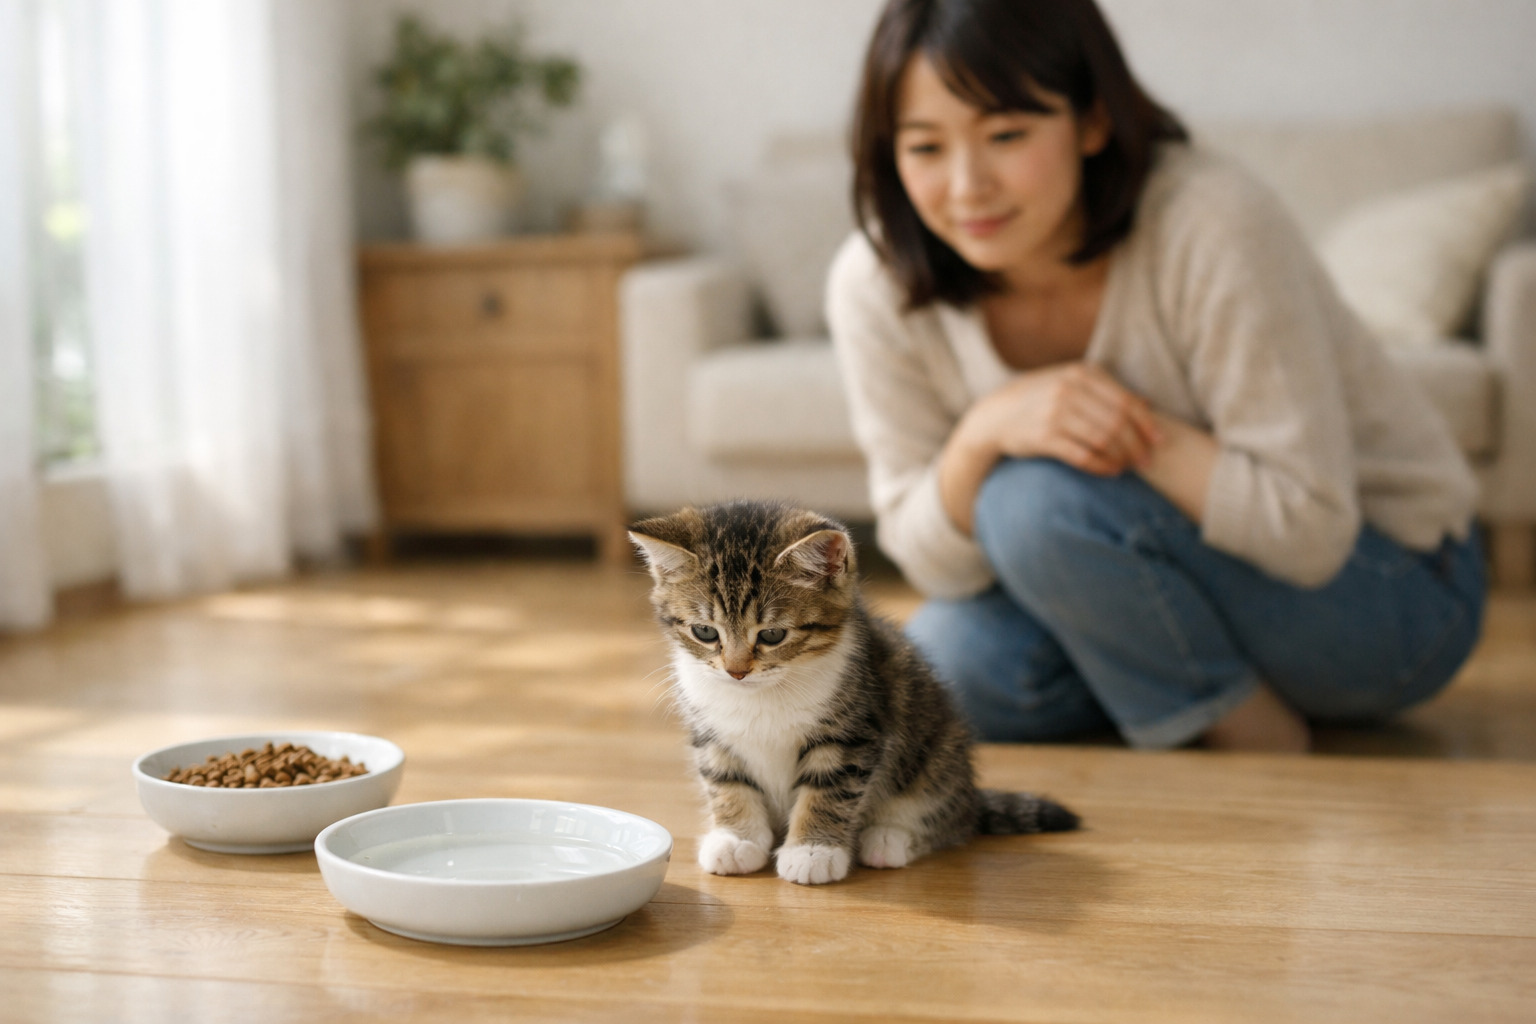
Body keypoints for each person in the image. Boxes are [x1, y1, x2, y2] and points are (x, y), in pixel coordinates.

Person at [827, 0, 1486, 752]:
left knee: (1031, 504)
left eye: (1006, 134)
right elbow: (932, 561)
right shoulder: (873, 282)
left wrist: (1114, 429)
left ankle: (1243, 731)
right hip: (1145, 569)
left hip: (1392, 592)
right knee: (945, 668)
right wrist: (987, 432)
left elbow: (1311, 530)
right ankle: (1174, 683)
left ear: (1093, 121)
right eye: (925, 148)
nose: (967, 185)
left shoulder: (1211, 221)